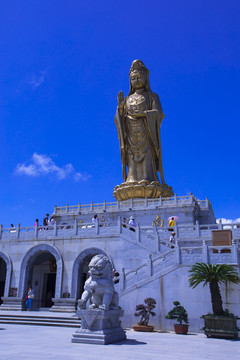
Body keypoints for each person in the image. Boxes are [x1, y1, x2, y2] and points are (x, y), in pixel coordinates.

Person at [115, 59, 165, 185]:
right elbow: (118, 120)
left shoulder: (152, 96)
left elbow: (158, 114)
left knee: (147, 156)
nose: (136, 80)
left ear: (145, 78)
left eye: (139, 77)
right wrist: (120, 108)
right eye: (133, 78)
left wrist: (143, 114)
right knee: (131, 158)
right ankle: (131, 179)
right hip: (131, 134)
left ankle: (148, 178)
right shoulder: (127, 99)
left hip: (147, 132)